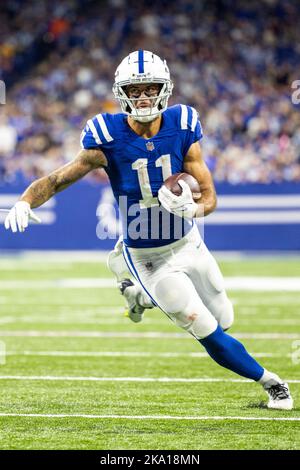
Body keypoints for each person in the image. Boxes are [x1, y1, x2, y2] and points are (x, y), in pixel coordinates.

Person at [5, 50, 293, 410]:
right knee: (201, 325)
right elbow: (58, 178)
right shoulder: (107, 136)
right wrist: (25, 201)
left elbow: (211, 197)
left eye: (150, 87)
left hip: (188, 242)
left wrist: (195, 207)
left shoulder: (183, 125)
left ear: (165, 88)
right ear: (121, 92)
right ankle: (272, 383)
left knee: (225, 318)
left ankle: (139, 297)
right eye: (134, 89)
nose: (143, 96)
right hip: (147, 255)